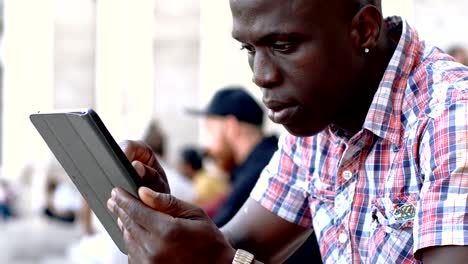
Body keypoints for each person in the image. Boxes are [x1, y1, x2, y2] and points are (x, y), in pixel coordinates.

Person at [106, 0, 468, 263]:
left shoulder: (451, 115)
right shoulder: (317, 116)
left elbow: (229, 258)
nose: (261, 75)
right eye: (249, 48)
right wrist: (165, 221)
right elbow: (236, 244)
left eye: (283, 46)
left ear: (363, 31)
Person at [187, 87, 278, 227]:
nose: (207, 146)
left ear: (231, 126)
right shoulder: (268, 159)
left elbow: (216, 233)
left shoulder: (261, 172)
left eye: (210, 130)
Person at [177, 146, 230, 216]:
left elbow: (202, 213)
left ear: (188, 166)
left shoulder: (202, 186)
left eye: (180, 164)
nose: (178, 167)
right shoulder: (206, 177)